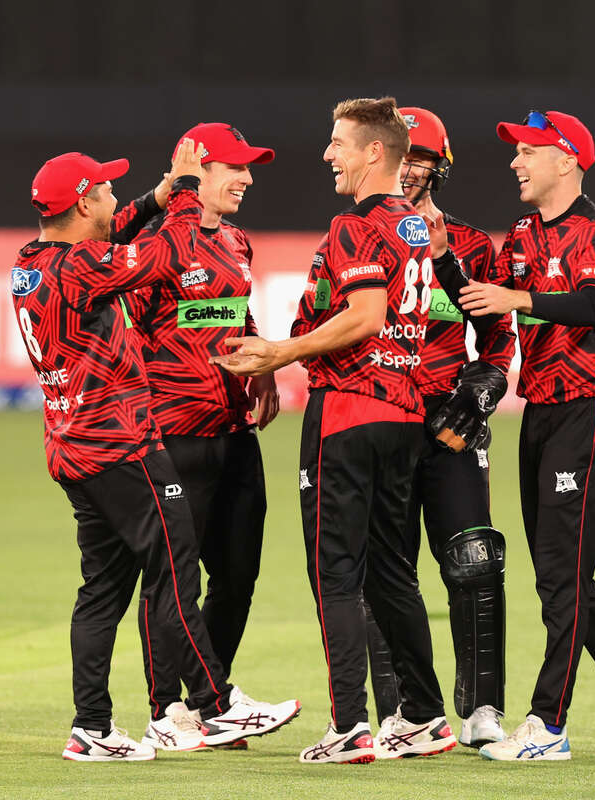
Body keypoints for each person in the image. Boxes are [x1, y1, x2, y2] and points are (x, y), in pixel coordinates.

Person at [13, 143, 297, 762]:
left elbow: (122, 236)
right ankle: (212, 708)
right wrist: (187, 188)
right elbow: (165, 254)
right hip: (121, 446)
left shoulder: (34, 261)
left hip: (73, 448)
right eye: (109, 190)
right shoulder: (84, 266)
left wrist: (155, 198)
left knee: (103, 591)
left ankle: (91, 726)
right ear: (85, 202)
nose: (119, 196)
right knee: (175, 571)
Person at [213, 96, 455, 765]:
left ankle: (350, 725)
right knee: (390, 574)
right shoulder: (413, 227)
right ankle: (426, 717)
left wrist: (280, 356)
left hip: (347, 411)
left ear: (376, 152)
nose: (329, 154)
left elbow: (366, 314)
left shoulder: (354, 225)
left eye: (339, 143)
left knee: (336, 573)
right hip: (403, 413)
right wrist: (284, 351)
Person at [457, 110, 595, 762]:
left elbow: (592, 305)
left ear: (565, 159)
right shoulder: (525, 229)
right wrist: (443, 253)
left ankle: (547, 726)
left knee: (562, 578)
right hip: (542, 413)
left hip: (592, 415)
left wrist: (518, 300)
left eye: (527, 151)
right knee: (565, 578)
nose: (514, 162)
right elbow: (485, 292)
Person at [363, 106, 516, 749]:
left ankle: (483, 709)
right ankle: (402, 710)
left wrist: (483, 388)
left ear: (437, 168)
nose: (409, 171)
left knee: (474, 560)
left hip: (450, 425)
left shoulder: (475, 246)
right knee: (385, 569)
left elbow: (502, 338)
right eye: (402, 158)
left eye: (420, 159)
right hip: (383, 418)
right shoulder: (359, 237)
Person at [120, 123, 277, 723]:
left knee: (237, 577)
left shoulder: (237, 241)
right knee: (172, 580)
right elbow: (124, 334)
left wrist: (260, 357)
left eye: (248, 166)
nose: (247, 177)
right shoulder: (156, 246)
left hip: (235, 434)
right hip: (174, 435)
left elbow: (231, 312)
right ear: (198, 170)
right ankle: (165, 712)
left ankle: (211, 702)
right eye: (235, 167)